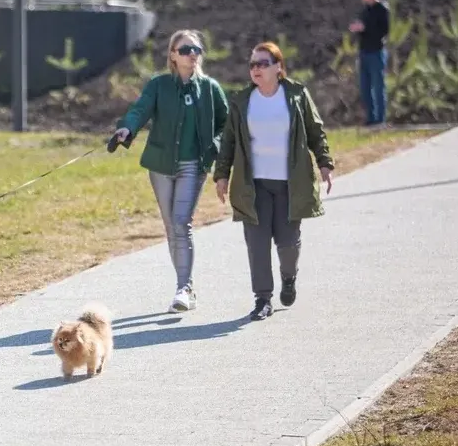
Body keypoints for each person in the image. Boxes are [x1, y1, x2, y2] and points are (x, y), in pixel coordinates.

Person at [213, 42, 335, 321]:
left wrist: (325, 163)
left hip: (290, 184)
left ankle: (289, 277)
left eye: (262, 63)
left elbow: (316, 132)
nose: (255, 69)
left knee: (288, 243)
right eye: (252, 64)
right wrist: (222, 175)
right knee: (257, 245)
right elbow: (228, 141)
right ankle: (262, 299)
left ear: (278, 67)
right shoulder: (242, 101)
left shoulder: (296, 95)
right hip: (253, 185)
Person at [113, 29, 230, 313]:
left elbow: (226, 125)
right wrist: (127, 128)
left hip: (193, 165)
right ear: (173, 55)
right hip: (161, 165)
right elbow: (140, 110)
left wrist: (214, 149)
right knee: (171, 226)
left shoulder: (211, 88)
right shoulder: (159, 85)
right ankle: (184, 283)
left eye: (196, 50)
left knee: (181, 223)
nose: (192, 55)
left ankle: (183, 288)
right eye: (186, 50)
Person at [350, 0, 391, 126]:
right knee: (365, 87)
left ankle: (380, 119)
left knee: (378, 86)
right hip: (364, 52)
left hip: (377, 52)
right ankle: (371, 118)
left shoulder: (382, 9)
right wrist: (357, 28)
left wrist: (365, 28)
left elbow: (384, 31)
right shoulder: (365, 11)